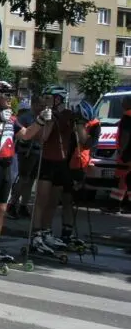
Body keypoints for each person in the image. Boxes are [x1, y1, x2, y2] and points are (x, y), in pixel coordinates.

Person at [0, 81, 49, 265]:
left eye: (10, 95)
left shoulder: (12, 117)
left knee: (1, 208)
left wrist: (40, 121)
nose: (10, 98)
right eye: (7, 95)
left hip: (8, 164)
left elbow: (25, 134)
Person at [30, 85, 73, 252]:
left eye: (48, 98)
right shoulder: (46, 115)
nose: (44, 101)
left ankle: (46, 231)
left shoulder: (68, 115)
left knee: (53, 202)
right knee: (41, 200)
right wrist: (47, 121)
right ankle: (36, 235)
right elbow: (43, 138)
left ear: (58, 99)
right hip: (47, 160)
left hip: (61, 162)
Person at [63, 100, 100, 243]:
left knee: (71, 200)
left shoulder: (95, 126)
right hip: (65, 163)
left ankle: (68, 231)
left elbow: (86, 143)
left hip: (79, 165)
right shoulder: (69, 122)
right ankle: (64, 232)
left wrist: (80, 126)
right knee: (64, 199)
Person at [103, 96, 131, 213]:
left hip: (127, 155)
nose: (121, 104)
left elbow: (125, 135)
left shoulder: (127, 116)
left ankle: (113, 206)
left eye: (123, 101)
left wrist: (121, 151)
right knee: (128, 180)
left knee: (120, 179)